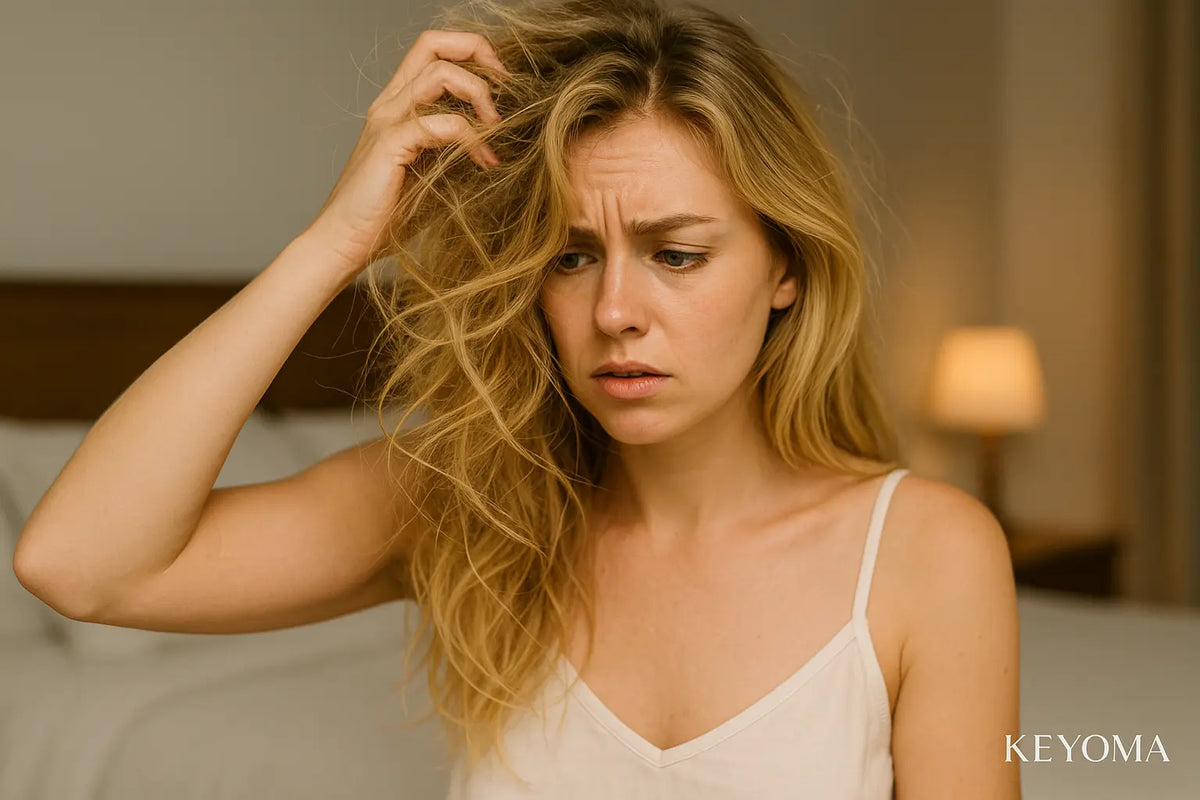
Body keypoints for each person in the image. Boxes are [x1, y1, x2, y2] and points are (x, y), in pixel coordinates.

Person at [12, 0, 1022, 796]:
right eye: (571, 256)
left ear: (786, 267)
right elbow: (78, 563)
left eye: (676, 253)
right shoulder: (467, 502)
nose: (616, 309)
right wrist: (333, 246)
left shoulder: (927, 552)